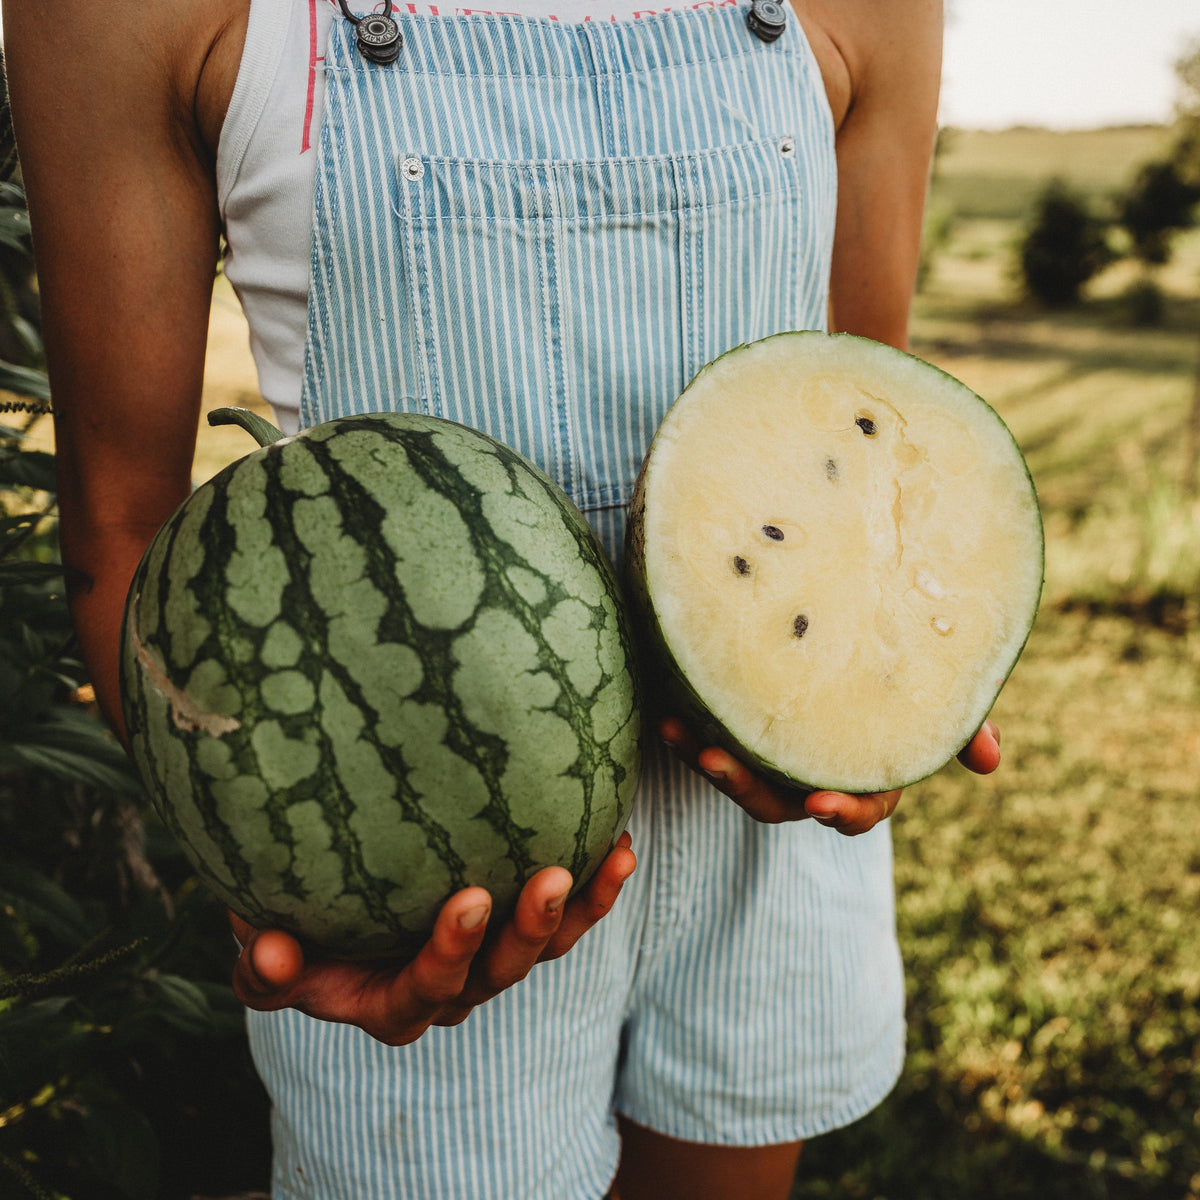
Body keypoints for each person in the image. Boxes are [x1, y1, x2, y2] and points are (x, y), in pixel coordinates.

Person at [5, 0, 1000, 1196]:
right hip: (415, 863)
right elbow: (121, 537)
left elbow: (856, 403)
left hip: (764, 831)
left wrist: (880, 708)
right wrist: (283, 873)